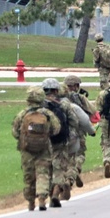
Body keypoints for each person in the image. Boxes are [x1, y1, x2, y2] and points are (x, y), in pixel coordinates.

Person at [11, 86, 61, 211]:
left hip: (26, 150)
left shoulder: (23, 114)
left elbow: (15, 132)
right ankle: (42, 199)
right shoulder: (47, 114)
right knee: (43, 173)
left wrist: (24, 138)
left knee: (29, 176)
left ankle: (30, 202)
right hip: (44, 148)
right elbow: (56, 129)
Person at [42, 78, 78, 207]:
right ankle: (56, 191)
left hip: (42, 142)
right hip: (60, 140)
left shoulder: (39, 104)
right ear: (57, 90)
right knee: (59, 166)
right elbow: (74, 121)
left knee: (45, 167)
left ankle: (44, 193)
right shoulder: (64, 104)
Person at [63, 74, 96, 188]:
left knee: (64, 156)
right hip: (78, 131)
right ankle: (75, 170)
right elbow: (92, 110)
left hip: (62, 132)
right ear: (77, 86)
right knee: (80, 154)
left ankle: (67, 175)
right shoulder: (81, 98)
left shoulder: (59, 99)